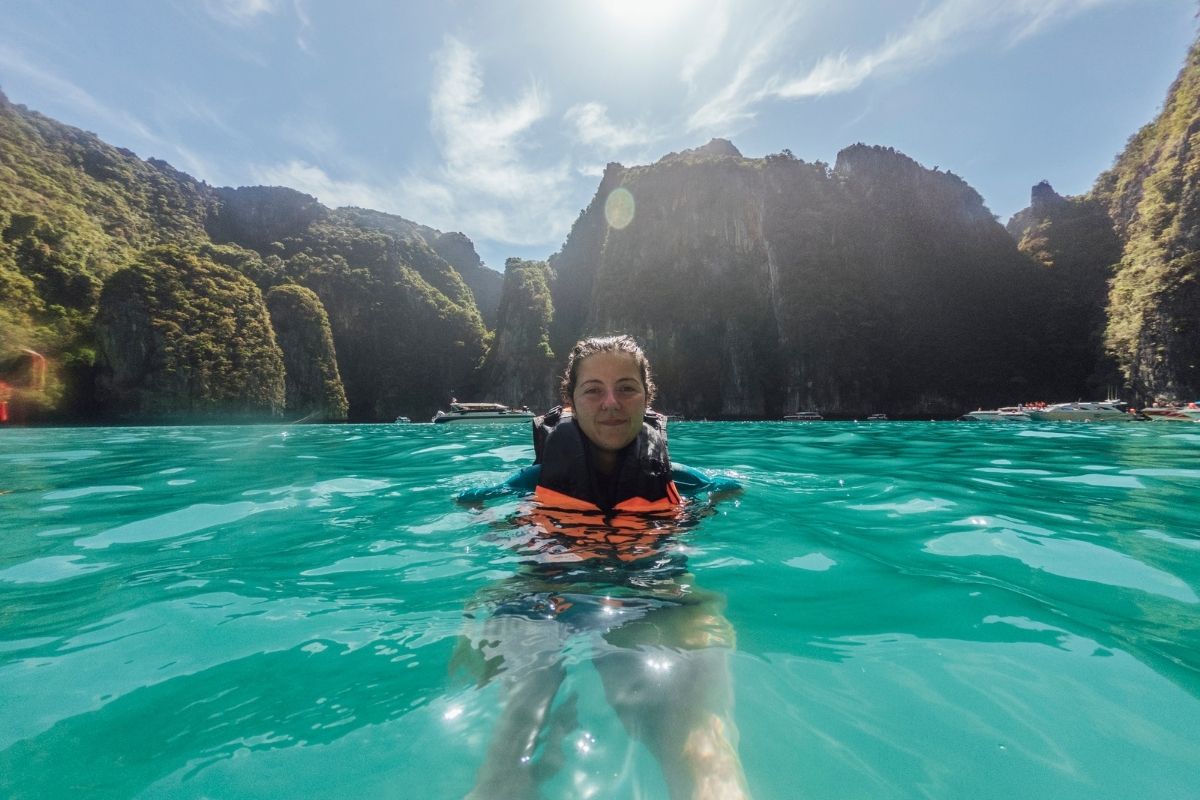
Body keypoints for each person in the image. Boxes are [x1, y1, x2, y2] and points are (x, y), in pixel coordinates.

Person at [456, 334, 749, 799]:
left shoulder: (678, 480)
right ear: (569, 401)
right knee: (511, 743)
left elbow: (729, 486)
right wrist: (504, 531)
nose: (611, 403)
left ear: (647, 397)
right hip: (542, 598)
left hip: (654, 599)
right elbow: (472, 501)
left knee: (696, 747)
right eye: (593, 389)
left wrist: (694, 516)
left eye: (626, 388)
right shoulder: (531, 483)